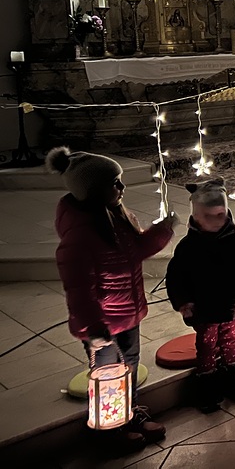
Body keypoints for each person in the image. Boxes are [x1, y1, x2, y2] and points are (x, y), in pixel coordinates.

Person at [46, 146, 175, 455]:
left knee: (129, 367)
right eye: (113, 183)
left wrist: (161, 231)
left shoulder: (116, 218)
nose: (122, 187)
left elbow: (137, 251)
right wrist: (92, 328)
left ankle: (128, 414)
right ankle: (108, 429)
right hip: (102, 326)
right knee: (107, 376)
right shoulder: (80, 236)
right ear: (92, 192)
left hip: (128, 314)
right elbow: (78, 288)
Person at [165, 180, 235, 413]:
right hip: (205, 308)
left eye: (220, 214)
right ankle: (207, 385)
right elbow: (176, 277)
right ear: (197, 217)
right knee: (207, 345)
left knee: (230, 341)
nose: (216, 220)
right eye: (209, 216)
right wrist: (182, 302)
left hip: (232, 304)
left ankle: (231, 378)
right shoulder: (188, 247)